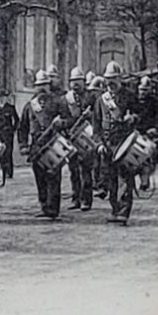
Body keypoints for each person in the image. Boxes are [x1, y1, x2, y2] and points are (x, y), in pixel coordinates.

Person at [93, 61, 138, 224]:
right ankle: (114, 210)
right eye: (107, 79)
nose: (110, 82)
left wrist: (133, 118)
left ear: (120, 78)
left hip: (124, 142)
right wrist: (98, 144)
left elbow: (142, 116)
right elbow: (95, 124)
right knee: (110, 178)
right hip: (107, 144)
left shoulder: (130, 96)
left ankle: (124, 212)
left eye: (113, 78)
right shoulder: (100, 100)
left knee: (125, 178)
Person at [19, 69, 67, 219]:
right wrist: (23, 145)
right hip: (36, 145)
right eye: (39, 85)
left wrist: (61, 123)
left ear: (48, 86)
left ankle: (53, 208)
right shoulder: (29, 105)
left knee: (53, 176)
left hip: (53, 143)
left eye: (44, 85)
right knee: (40, 177)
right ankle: (44, 205)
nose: (41, 88)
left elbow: (68, 120)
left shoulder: (58, 102)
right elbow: (23, 127)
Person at [63, 67, 94, 211]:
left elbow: (98, 115)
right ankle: (75, 198)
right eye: (73, 81)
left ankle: (86, 200)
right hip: (72, 136)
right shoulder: (66, 98)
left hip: (86, 136)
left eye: (78, 81)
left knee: (85, 170)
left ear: (84, 82)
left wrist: (90, 115)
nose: (75, 84)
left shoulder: (91, 97)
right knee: (73, 169)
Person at [133, 75, 158, 192]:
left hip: (149, 134)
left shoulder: (155, 102)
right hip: (134, 134)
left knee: (148, 158)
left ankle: (144, 181)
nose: (143, 93)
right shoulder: (133, 101)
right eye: (141, 90)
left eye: (145, 90)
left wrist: (156, 129)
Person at [0, 90, 18, 181]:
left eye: (3, 97)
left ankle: (9, 172)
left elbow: (17, 120)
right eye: (0, 97)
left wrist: (13, 129)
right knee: (1, 153)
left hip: (8, 133)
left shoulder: (10, 108)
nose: (1, 99)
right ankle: (3, 170)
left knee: (8, 152)